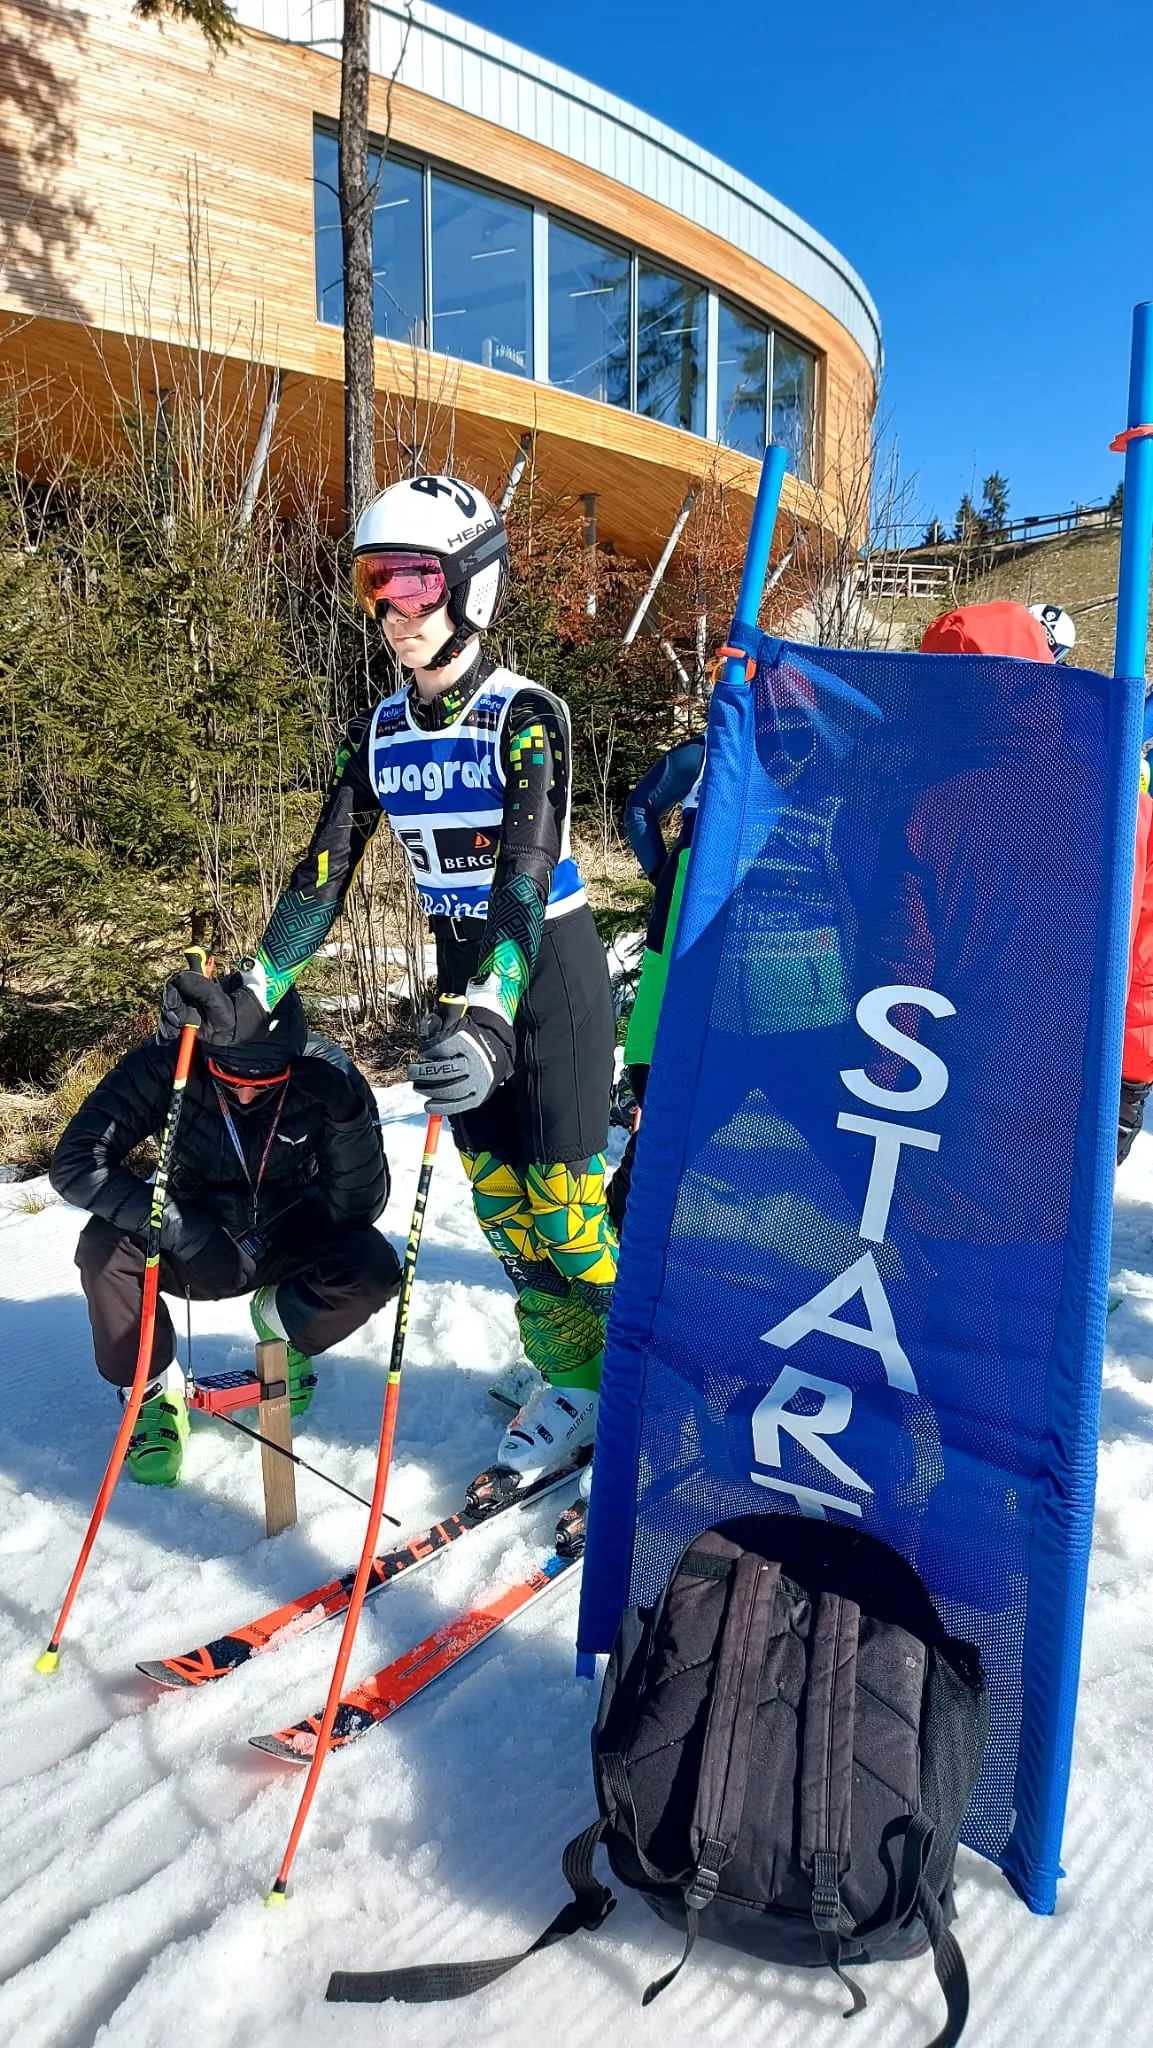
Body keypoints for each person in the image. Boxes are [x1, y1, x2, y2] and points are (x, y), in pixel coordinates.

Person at [157, 475, 618, 1489]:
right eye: (375, 583)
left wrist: (493, 1010)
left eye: (415, 581)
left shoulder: (524, 714)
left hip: (546, 973)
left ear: (472, 585)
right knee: (499, 1205)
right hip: (461, 974)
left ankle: (637, 1378)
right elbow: (323, 872)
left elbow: (525, 873)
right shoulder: (378, 729)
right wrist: (253, 986)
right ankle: (573, 1368)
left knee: (565, 1206)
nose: (392, 610)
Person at [50, 989, 400, 1485]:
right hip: (194, 1232)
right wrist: (183, 1230)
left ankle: (284, 1324)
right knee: (104, 1251)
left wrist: (349, 1119)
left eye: (266, 1084)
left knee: (371, 1266)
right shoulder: (168, 1061)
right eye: (230, 1080)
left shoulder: (327, 1071)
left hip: (289, 1230)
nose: (246, 1097)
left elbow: (358, 1211)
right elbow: (75, 1164)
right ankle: (150, 1391)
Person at [611, 732, 708, 1229]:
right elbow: (639, 807)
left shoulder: (818, 746)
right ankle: (621, 1218)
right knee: (660, 1067)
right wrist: (661, 870)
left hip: (771, 937)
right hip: (684, 910)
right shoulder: (709, 749)